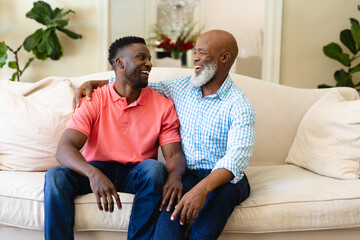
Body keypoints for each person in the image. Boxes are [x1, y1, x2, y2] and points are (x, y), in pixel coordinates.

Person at [74, 30, 255, 240]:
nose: (195, 58)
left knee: (202, 232)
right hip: (187, 175)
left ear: (224, 58)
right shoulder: (181, 87)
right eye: (195, 52)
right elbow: (135, 84)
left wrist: (200, 191)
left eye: (202, 53)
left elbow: (236, 160)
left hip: (224, 180)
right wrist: (97, 83)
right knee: (165, 233)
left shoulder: (240, 106)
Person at [44, 36, 186, 240]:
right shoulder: (94, 98)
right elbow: (64, 148)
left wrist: (175, 176)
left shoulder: (163, 105)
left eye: (149, 58)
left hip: (135, 174)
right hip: (97, 168)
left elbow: (173, 155)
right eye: (141, 57)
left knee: (155, 169)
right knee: (55, 176)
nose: (149, 63)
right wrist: (93, 174)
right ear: (119, 63)